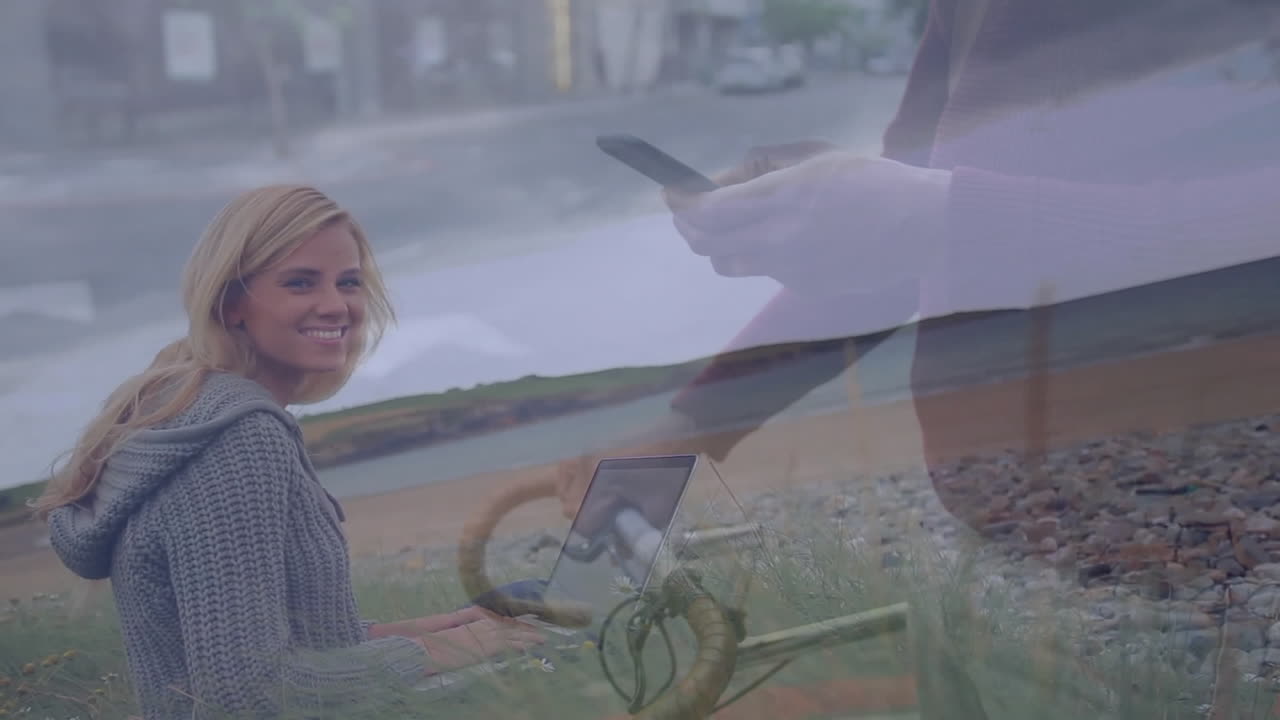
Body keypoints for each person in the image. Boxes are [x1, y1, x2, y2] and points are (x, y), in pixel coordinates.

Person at [33, 185, 546, 720]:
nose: (336, 305)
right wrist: (450, 650)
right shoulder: (236, 439)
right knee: (564, 644)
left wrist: (412, 634)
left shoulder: (194, 412)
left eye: (349, 282)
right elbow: (249, 695)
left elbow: (253, 648)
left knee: (524, 600)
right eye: (300, 283)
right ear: (232, 304)